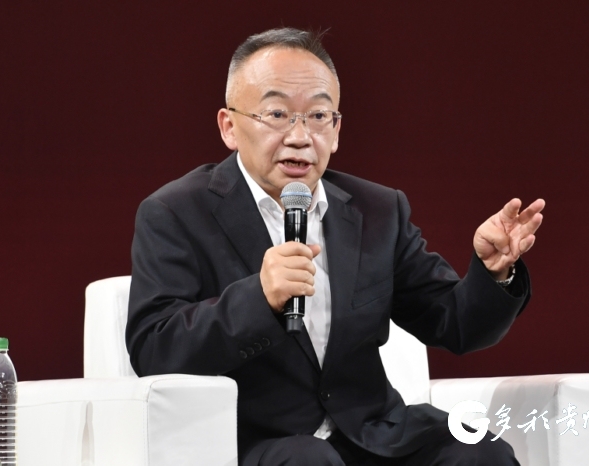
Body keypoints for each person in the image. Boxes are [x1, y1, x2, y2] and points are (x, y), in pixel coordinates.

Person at [126, 27, 545, 466]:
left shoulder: (377, 209)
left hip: (372, 433)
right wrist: (259, 298)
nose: (300, 136)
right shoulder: (176, 212)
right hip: (261, 440)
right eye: (277, 114)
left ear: (337, 130)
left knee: (481, 454)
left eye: (318, 116)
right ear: (229, 126)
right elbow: (154, 346)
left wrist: (493, 272)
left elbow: (454, 323)